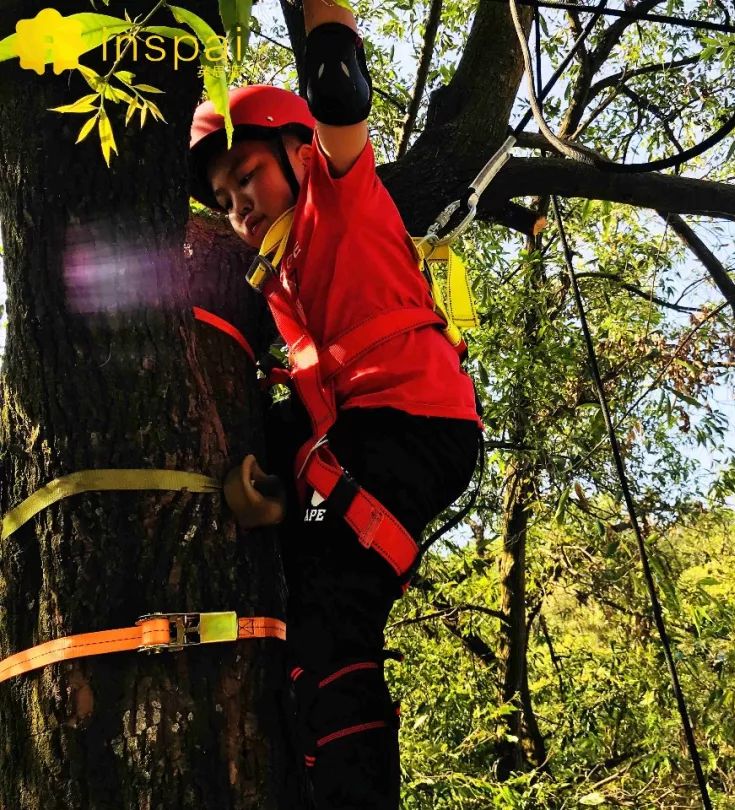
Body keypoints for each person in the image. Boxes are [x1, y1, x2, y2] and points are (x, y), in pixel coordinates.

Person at [188, 1, 482, 807]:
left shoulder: (338, 190)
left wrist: (324, 19)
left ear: (294, 151)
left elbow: (338, 90)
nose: (237, 208)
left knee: (333, 619)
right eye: (222, 199)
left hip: (411, 419)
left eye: (245, 178)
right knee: (302, 606)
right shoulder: (278, 275)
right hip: (364, 426)